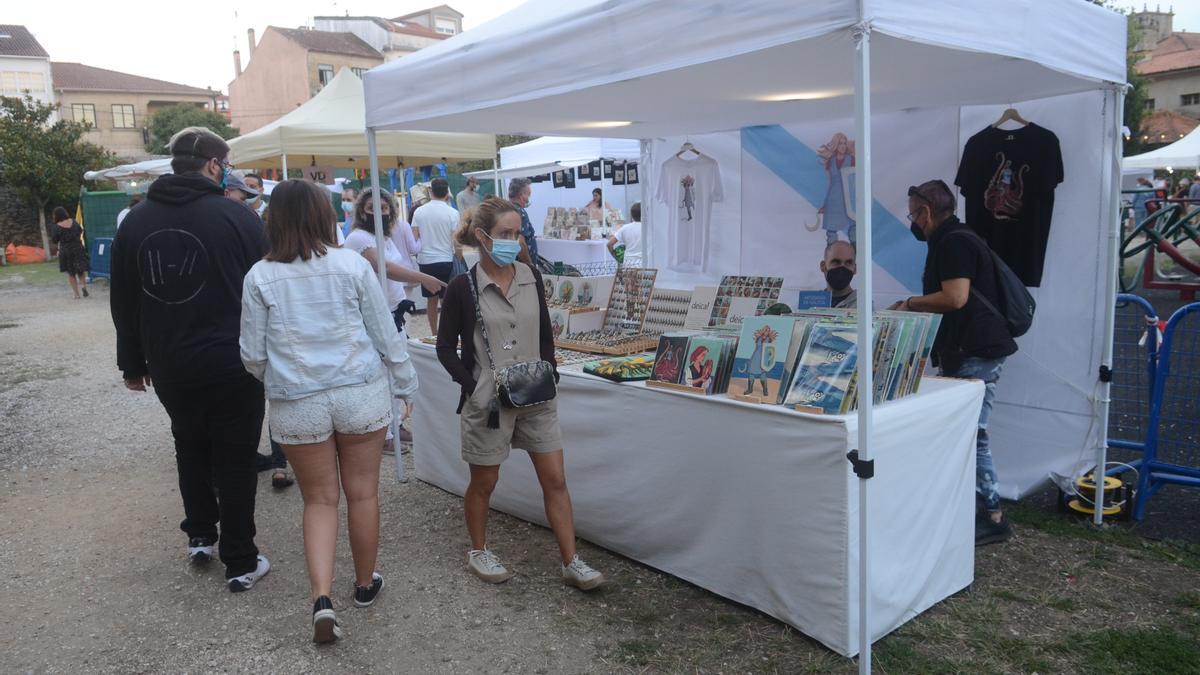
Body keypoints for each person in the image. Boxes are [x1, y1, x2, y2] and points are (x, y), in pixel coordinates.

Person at [240, 179, 418, 643]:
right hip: (359, 392)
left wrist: (281, 379)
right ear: (325, 215)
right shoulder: (351, 266)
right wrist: (405, 385)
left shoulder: (259, 275)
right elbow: (385, 333)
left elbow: (252, 356)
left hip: (298, 402)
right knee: (363, 494)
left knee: (318, 500)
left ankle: (322, 598)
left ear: (272, 219)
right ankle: (363, 583)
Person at [110, 126, 271, 591]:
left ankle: (200, 532)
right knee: (237, 458)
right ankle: (240, 558)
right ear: (214, 166)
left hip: (169, 361)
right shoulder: (238, 217)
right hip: (234, 360)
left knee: (189, 444)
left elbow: (123, 300)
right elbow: (267, 289)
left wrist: (132, 363)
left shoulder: (135, 222)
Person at [436, 197, 604, 591]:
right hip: (490, 401)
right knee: (485, 482)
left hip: (538, 395)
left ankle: (570, 560)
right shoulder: (464, 287)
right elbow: (446, 347)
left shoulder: (530, 275)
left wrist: (550, 372)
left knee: (555, 479)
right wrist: (471, 385)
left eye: (517, 233)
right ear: (481, 236)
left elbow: (546, 334)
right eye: (505, 234)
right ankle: (478, 549)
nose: (514, 240)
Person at [892, 179, 1017, 546]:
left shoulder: (954, 242)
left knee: (972, 433)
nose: (912, 221)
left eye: (912, 214)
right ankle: (972, 507)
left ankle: (992, 514)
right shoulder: (953, 238)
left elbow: (956, 297)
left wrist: (911, 303)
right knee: (964, 431)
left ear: (926, 212)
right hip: (967, 348)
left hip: (978, 351)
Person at [347, 188, 447, 449]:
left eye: (384, 207)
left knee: (395, 371)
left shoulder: (385, 236)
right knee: (383, 374)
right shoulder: (359, 238)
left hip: (393, 312)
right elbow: (386, 268)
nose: (379, 212)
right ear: (361, 211)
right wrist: (424, 278)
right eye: (371, 208)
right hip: (374, 317)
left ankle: (395, 424)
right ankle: (385, 434)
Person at [412, 178, 460, 335]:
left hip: (425, 261)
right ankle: (448, 332)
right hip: (445, 259)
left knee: (430, 300)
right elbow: (456, 241)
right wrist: (459, 258)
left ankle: (434, 332)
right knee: (446, 300)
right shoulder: (453, 213)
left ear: (430, 192)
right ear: (447, 193)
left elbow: (415, 237)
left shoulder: (419, 212)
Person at [51, 206, 89, 299]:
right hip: (78, 248)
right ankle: (83, 286)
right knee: (80, 270)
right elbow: (80, 231)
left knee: (71, 273)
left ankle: (76, 294)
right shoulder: (74, 222)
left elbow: (55, 240)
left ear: (56, 216)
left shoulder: (57, 227)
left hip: (66, 251)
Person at [507, 177, 538, 263]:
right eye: (528, 194)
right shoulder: (520, 212)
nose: (528, 199)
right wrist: (530, 265)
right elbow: (520, 242)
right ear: (521, 196)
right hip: (522, 266)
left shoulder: (506, 209)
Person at [820, 240, 857, 309]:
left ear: (855, 269)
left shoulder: (864, 306)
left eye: (848, 262)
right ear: (823, 266)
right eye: (836, 262)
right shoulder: (811, 302)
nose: (842, 267)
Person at [607, 202, 643, 267]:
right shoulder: (648, 228)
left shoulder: (625, 228)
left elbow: (609, 244)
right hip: (644, 263)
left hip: (628, 263)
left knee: (629, 277)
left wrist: (617, 257)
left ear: (631, 215)